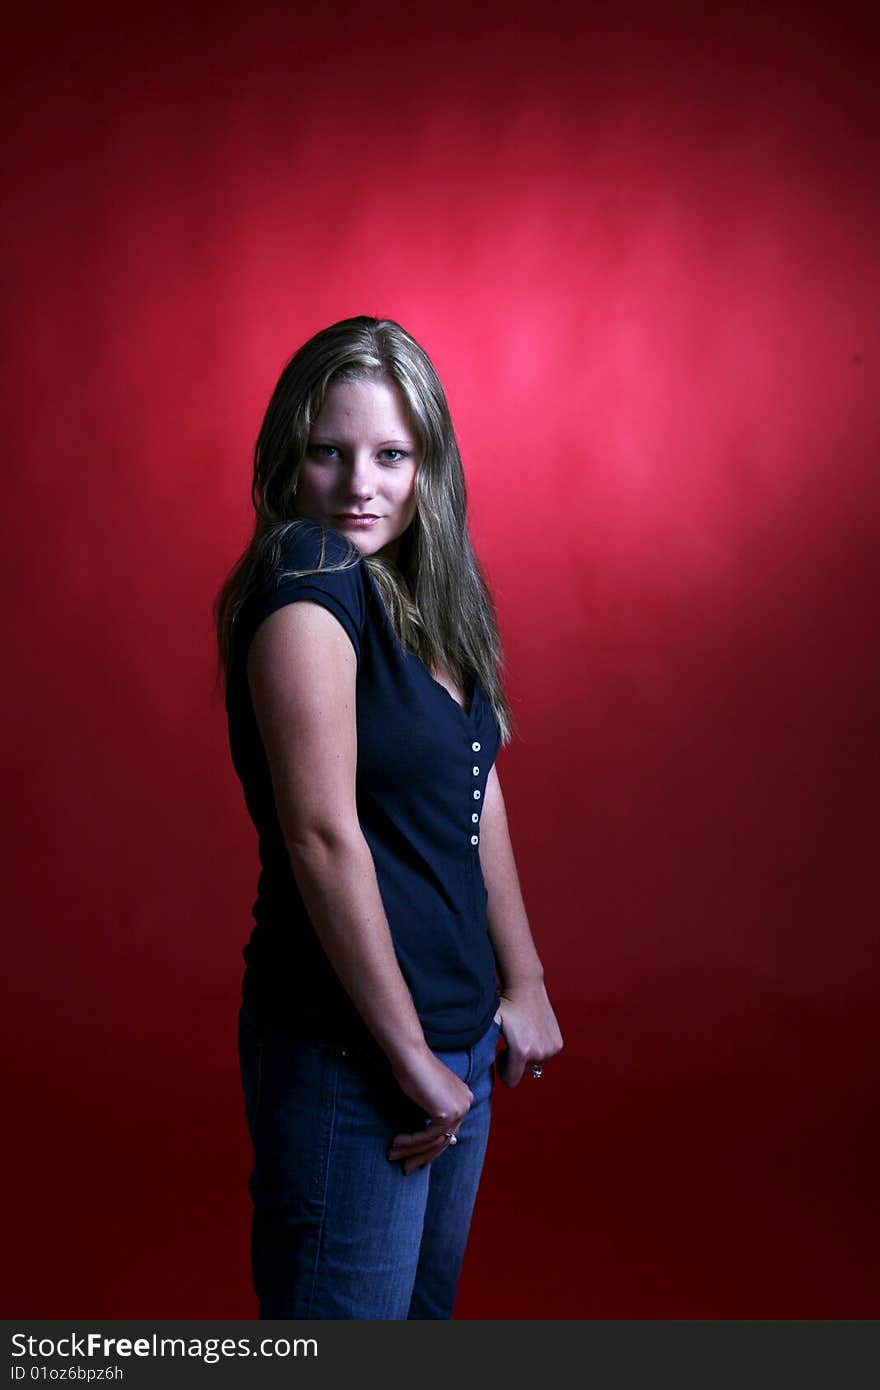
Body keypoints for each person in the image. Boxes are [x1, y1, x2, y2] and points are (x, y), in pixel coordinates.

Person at [214, 316, 563, 1320]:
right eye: (329, 451)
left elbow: (473, 781)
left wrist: (524, 979)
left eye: (390, 454)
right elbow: (320, 834)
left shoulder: (427, 596)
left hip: (457, 1047)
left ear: (429, 465)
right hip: (352, 1055)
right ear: (289, 454)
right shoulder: (309, 582)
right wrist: (408, 1059)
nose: (359, 483)